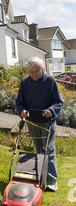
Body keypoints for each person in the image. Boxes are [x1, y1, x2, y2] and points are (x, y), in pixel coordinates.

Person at [16, 56, 63, 191]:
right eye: (31, 72)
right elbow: (19, 102)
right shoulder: (25, 82)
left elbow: (58, 102)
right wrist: (22, 111)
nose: (33, 75)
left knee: (49, 150)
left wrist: (51, 111)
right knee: (38, 150)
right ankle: (39, 178)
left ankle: (51, 181)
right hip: (33, 122)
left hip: (47, 121)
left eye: (36, 72)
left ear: (42, 69)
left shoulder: (50, 81)